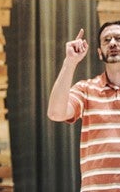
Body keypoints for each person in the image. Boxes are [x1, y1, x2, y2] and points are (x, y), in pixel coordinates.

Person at [47, 22, 120, 191]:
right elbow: (56, 113)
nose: (113, 43)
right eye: (106, 40)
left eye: (118, 38)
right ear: (99, 53)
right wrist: (70, 62)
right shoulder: (86, 89)